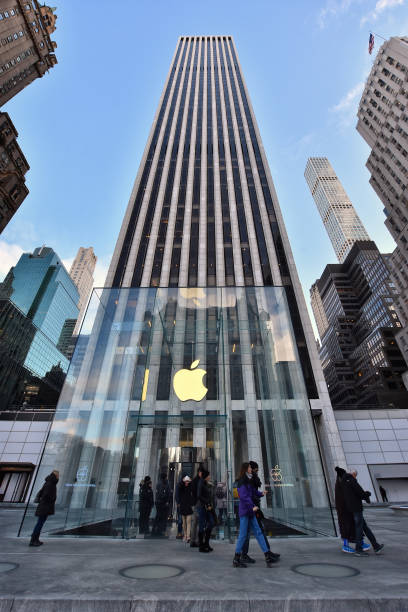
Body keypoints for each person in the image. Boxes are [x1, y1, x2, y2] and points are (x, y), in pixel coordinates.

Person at [232, 462, 277, 568]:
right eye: (249, 467)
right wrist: (252, 506)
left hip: (251, 511)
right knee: (243, 535)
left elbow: (252, 493)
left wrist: (261, 493)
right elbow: (244, 497)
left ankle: (267, 555)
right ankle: (236, 558)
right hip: (245, 511)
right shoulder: (242, 481)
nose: (251, 469)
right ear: (245, 469)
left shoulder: (248, 479)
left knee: (258, 532)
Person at [341, 469, 384, 557]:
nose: (355, 477)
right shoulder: (352, 481)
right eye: (355, 475)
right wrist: (368, 493)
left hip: (350, 508)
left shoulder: (343, 482)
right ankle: (358, 549)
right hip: (356, 508)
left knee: (364, 527)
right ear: (353, 474)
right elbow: (361, 493)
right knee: (359, 528)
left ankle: (376, 545)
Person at [29, 470, 59, 547]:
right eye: (58, 475)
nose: (59, 476)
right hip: (45, 506)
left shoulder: (48, 482)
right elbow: (46, 495)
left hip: (44, 506)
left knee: (40, 523)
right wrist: (51, 500)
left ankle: (35, 539)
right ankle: (33, 540)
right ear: (55, 475)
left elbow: (42, 493)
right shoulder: (50, 484)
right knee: (40, 523)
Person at [197, 468, 215, 553]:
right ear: (205, 476)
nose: (209, 476)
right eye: (208, 475)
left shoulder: (205, 483)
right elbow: (199, 495)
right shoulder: (201, 483)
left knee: (211, 523)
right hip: (202, 507)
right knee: (202, 525)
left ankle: (206, 543)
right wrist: (207, 502)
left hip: (208, 507)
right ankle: (201, 546)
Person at [189, 465, 203, 548]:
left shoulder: (195, 481)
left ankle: (193, 540)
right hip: (198, 503)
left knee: (195, 523)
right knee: (198, 523)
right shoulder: (198, 481)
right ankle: (197, 540)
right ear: (199, 472)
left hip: (195, 503)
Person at [179, 475, 194, 542]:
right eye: (186, 481)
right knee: (184, 522)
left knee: (188, 522)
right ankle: (185, 535)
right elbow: (179, 487)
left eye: (188, 481)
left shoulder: (191, 487)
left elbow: (193, 492)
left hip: (189, 506)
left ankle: (188, 536)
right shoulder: (181, 487)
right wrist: (182, 482)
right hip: (183, 506)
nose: (187, 482)